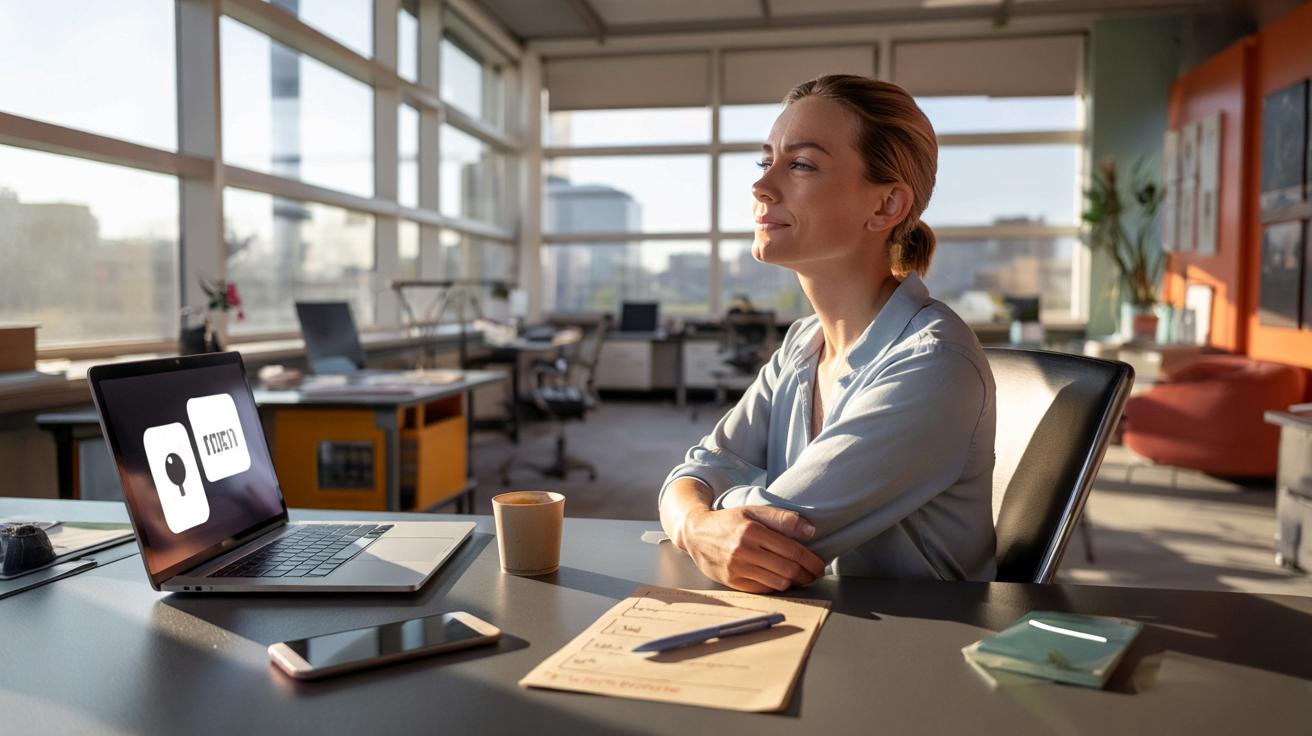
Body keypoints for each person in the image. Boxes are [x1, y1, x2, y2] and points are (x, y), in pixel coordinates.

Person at [658, 75, 997, 594]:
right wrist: (697, 524)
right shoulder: (803, 343)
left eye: (800, 164)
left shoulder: (934, 363)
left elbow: (774, 531)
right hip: (807, 623)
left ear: (886, 206)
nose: (761, 186)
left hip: (910, 651)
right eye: (764, 160)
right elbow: (697, 468)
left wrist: (709, 508)